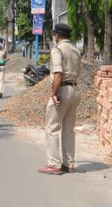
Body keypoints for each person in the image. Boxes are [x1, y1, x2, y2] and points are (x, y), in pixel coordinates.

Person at [38, 23, 81, 175]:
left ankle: (54, 164)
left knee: (52, 128)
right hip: (75, 89)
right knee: (69, 129)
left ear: (57, 35)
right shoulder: (76, 50)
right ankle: (69, 163)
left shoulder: (57, 50)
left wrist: (54, 93)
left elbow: (58, 73)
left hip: (62, 90)